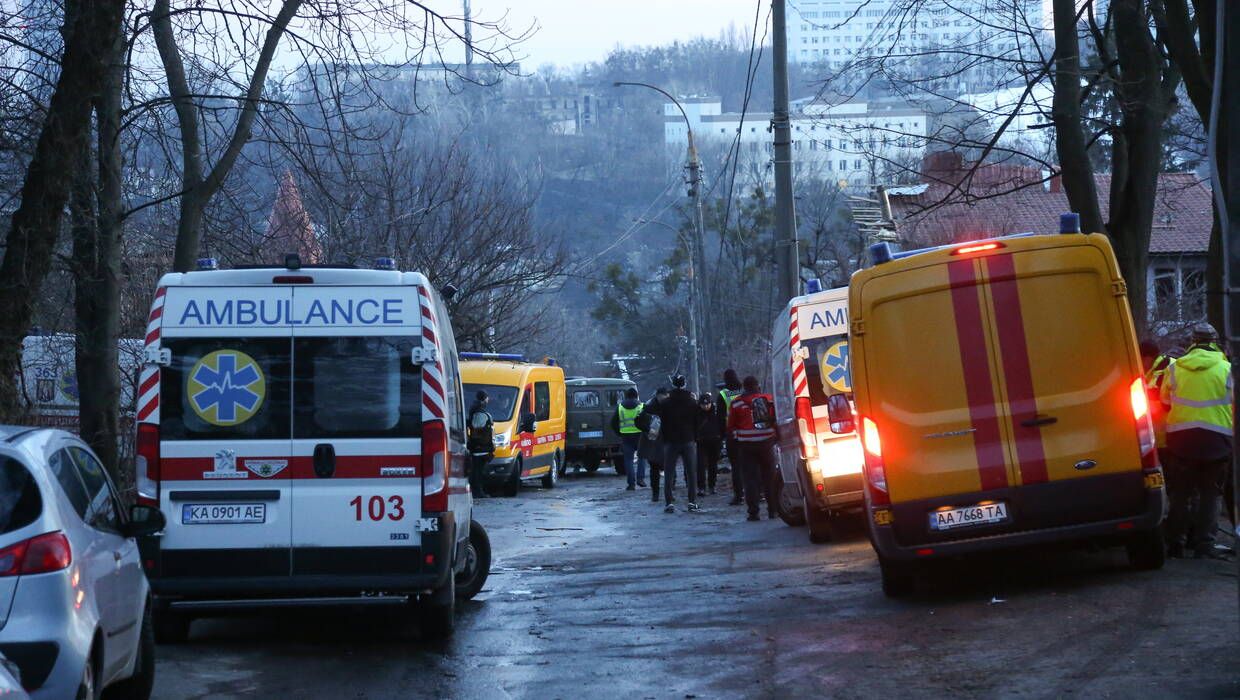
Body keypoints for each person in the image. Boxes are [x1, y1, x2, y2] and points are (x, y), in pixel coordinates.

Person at [1161, 323, 1234, 559]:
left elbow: (1164, 400)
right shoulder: (1227, 369)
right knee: (1211, 494)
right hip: (1217, 440)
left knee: (1181, 493)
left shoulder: (1175, 368)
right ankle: (1204, 544)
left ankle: (1175, 542)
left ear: (1191, 343)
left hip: (1180, 440)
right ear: (1215, 343)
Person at [727, 376, 778, 521]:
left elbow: (731, 426)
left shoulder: (736, 404)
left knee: (750, 479)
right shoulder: (768, 399)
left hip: (746, 446)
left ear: (744, 387)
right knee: (770, 478)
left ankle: (753, 512)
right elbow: (775, 419)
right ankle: (773, 510)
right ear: (757, 386)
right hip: (767, 444)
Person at [659, 375, 701, 513]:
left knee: (669, 472)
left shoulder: (665, 403)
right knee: (691, 472)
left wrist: (665, 438)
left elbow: (662, 423)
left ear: (672, 384)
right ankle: (692, 501)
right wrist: (694, 436)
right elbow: (697, 422)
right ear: (684, 384)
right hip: (688, 440)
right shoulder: (692, 402)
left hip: (671, 441)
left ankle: (669, 502)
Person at [1140, 340, 1173, 470]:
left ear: (1147, 358)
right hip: (1164, 434)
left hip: (1168, 434)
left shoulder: (1164, 370)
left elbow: (1158, 400)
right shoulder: (1156, 370)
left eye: (1140, 359)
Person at [717, 369, 745, 505]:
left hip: (731, 433)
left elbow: (720, 417)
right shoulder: (744, 390)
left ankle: (738, 495)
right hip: (747, 432)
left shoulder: (723, 394)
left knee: (736, 467)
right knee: (751, 465)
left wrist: (722, 436)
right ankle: (758, 492)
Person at [610, 387, 646, 491]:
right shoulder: (641, 406)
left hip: (626, 436)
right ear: (636, 395)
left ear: (626, 396)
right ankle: (641, 479)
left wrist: (619, 432)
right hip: (640, 435)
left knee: (628, 460)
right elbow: (646, 420)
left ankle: (631, 484)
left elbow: (613, 423)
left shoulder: (620, 407)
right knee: (642, 457)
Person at [637, 387, 669, 502]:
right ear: (657, 396)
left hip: (667, 441)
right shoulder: (648, 407)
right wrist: (647, 429)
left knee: (669, 468)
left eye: (663, 398)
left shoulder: (670, 406)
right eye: (660, 398)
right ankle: (655, 493)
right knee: (654, 468)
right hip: (653, 441)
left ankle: (669, 492)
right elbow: (638, 421)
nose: (661, 400)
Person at [466, 390, 494, 498]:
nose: (488, 400)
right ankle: (478, 492)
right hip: (481, 448)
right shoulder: (479, 413)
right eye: (487, 397)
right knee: (478, 472)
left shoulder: (476, 410)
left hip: (480, 447)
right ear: (484, 398)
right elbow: (477, 429)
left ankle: (478, 491)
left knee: (478, 471)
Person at [696, 392, 722, 495]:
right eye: (703, 404)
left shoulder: (716, 412)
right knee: (701, 465)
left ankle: (712, 485)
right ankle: (701, 487)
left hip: (714, 441)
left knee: (713, 465)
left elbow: (721, 425)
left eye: (707, 404)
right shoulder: (696, 413)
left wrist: (720, 437)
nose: (706, 406)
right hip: (701, 441)